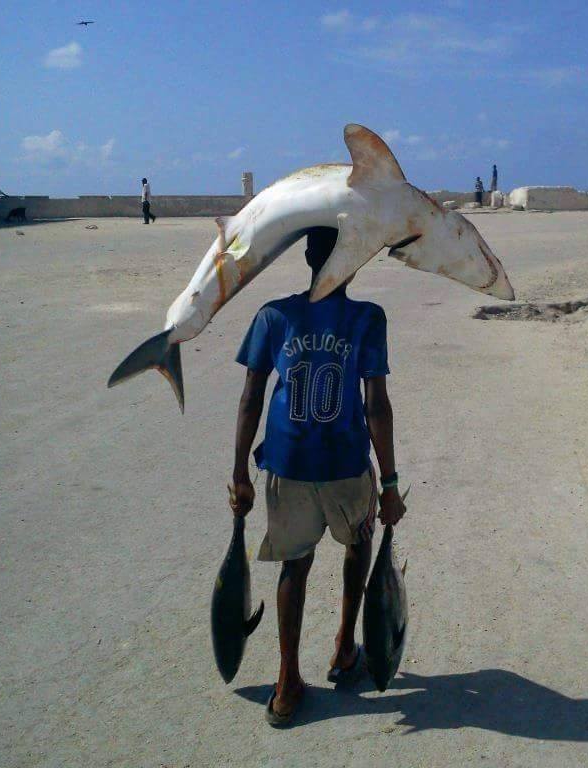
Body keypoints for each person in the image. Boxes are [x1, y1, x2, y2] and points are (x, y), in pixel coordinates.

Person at [229, 226, 407, 725]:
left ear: (307, 256)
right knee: (358, 546)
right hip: (348, 466)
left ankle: (287, 682)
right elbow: (377, 405)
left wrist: (240, 471)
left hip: (287, 464)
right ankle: (344, 646)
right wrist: (389, 484)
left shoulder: (274, 315)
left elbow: (251, 398)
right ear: (350, 263)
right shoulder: (367, 318)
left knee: (295, 566)